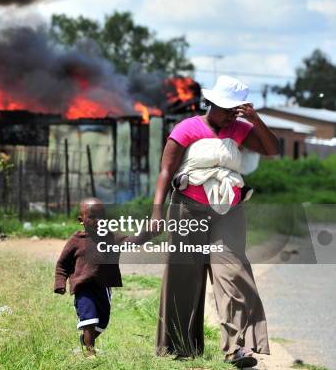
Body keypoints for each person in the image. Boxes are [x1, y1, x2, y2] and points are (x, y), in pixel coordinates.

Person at [151, 76, 279, 368]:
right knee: (184, 277)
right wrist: (157, 212)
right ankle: (180, 346)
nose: (230, 114)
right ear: (211, 103)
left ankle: (238, 348)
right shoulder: (188, 128)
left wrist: (254, 118)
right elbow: (165, 171)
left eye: (235, 109)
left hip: (228, 211)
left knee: (232, 272)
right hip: (188, 209)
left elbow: (272, 150)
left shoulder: (240, 129)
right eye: (225, 108)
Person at [54, 197, 151, 356]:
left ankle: (86, 340)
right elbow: (62, 263)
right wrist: (60, 283)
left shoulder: (111, 237)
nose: (98, 221)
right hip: (83, 288)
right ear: (81, 220)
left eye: (102, 217)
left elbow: (132, 241)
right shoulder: (76, 241)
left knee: (102, 322)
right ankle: (90, 353)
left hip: (103, 288)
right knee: (89, 319)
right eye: (92, 217)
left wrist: (149, 232)